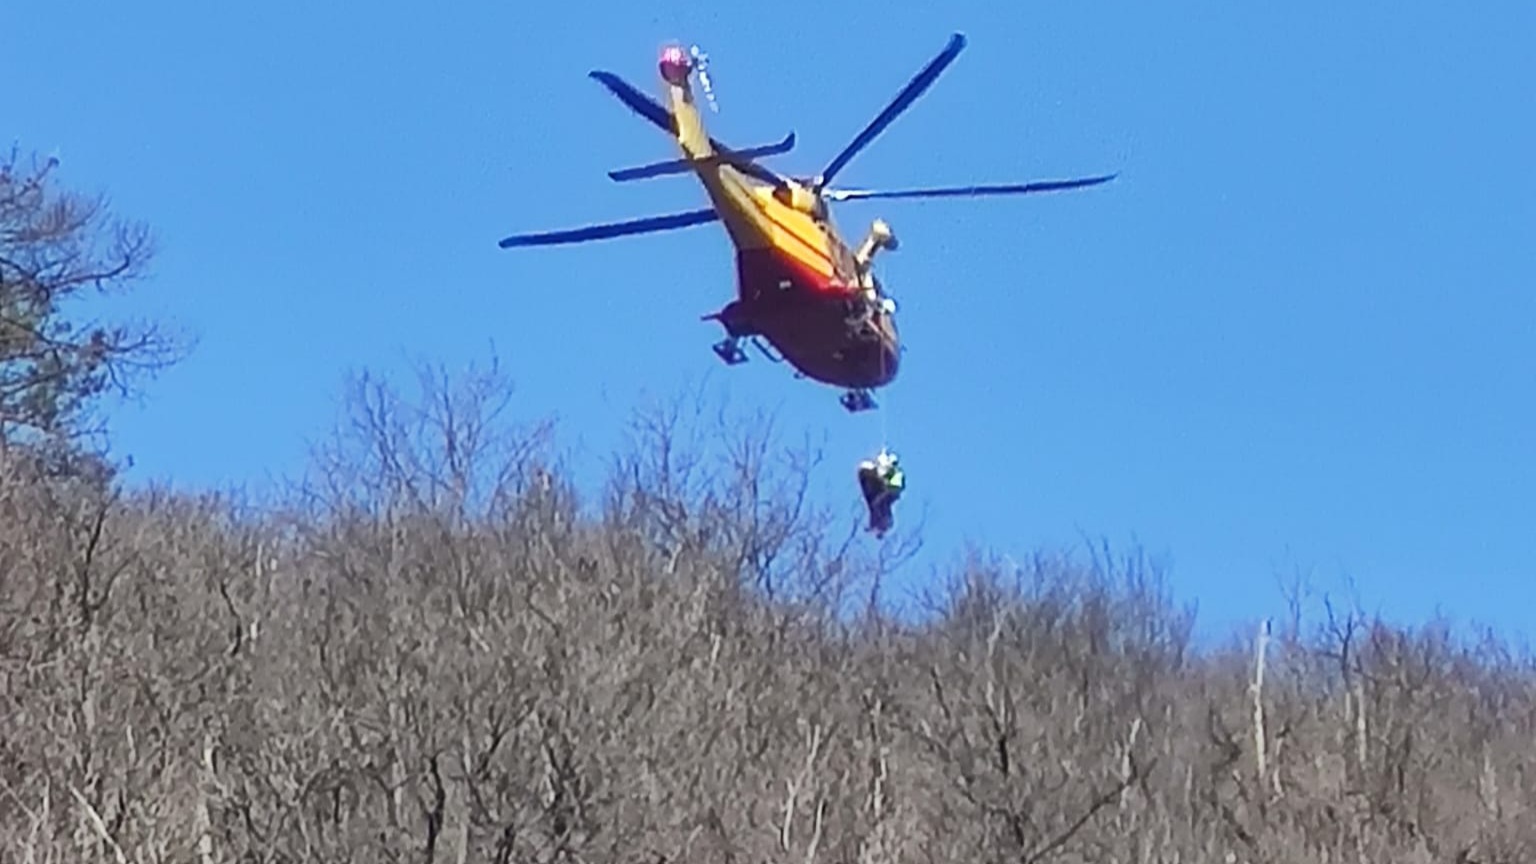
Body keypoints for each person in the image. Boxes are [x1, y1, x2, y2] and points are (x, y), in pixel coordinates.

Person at [856, 448, 905, 537]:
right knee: (879, 504)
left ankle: (880, 524)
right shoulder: (897, 472)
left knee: (878, 504)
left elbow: (887, 476)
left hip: (891, 490)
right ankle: (879, 524)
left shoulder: (895, 471)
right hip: (892, 491)